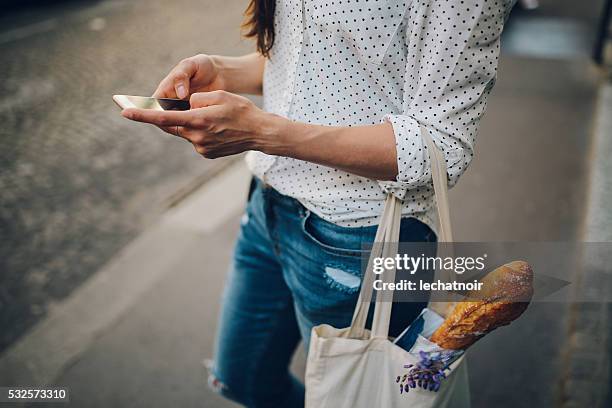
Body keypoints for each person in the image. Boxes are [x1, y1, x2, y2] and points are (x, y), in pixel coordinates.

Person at [122, 0, 513, 406]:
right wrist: (221, 71)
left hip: (359, 237)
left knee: (354, 397)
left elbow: (443, 147)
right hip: (267, 208)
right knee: (240, 378)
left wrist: (264, 132)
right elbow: (313, 56)